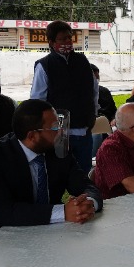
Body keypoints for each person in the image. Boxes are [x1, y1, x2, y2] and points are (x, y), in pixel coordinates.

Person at [0, 99, 102, 231]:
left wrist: (88, 204)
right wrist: (62, 212)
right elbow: (5, 212)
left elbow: (85, 185)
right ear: (32, 136)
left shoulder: (58, 150)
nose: (61, 132)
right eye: (55, 127)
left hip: (50, 234)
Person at [30, 20, 98, 172]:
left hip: (83, 131)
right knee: (57, 176)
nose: (67, 41)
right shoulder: (44, 65)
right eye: (62, 39)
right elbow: (37, 100)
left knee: (84, 175)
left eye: (69, 38)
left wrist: (93, 114)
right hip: (58, 134)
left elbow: (94, 91)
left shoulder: (82, 61)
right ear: (52, 42)